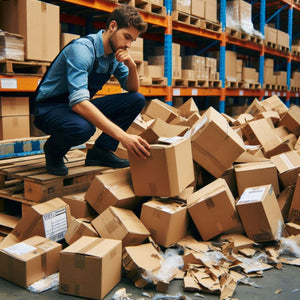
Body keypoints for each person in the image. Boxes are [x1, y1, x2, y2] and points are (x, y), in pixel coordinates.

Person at [34, 4, 151, 176]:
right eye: (126, 37)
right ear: (113, 26)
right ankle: (53, 151)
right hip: (49, 108)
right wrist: (123, 137)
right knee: (83, 128)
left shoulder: (115, 56)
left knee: (137, 99)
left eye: (132, 40)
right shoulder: (82, 50)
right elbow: (79, 105)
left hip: (75, 105)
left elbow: (131, 88)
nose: (128, 45)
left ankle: (101, 151)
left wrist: (132, 67)